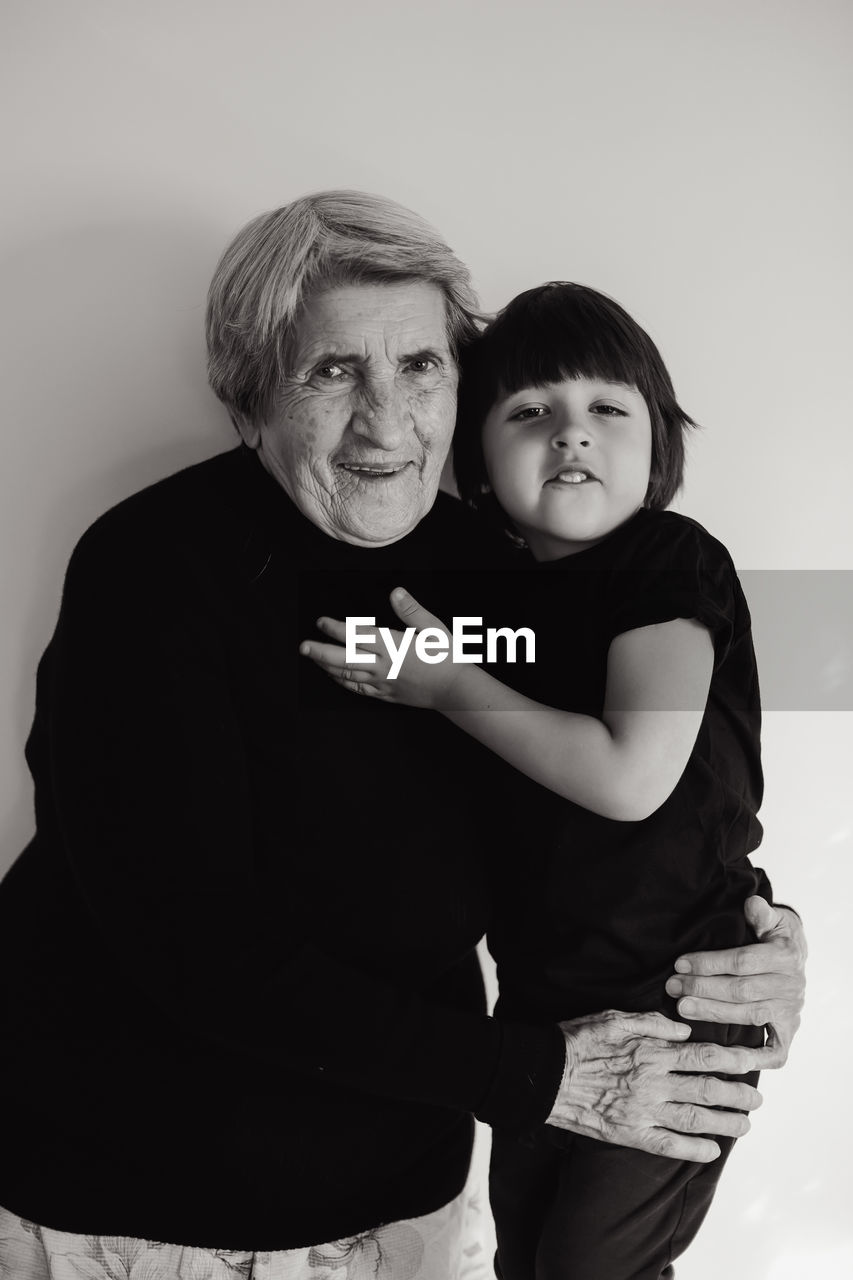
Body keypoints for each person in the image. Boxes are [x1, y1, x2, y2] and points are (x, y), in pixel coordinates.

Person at [0, 194, 805, 1280]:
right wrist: (535, 1076)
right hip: (142, 1201)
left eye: (421, 366)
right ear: (248, 396)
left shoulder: (505, 570)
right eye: (332, 371)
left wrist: (749, 943)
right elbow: (192, 941)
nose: (387, 421)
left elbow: (607, 801)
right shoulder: (156, 570)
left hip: (408, 1202)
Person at [301, 280, 789, 1278]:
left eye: (607, 409)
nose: (571, 434)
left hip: (679, 996)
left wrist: (444, 686)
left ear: (658, 442)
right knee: (525, 1259)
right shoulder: (492, 600)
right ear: (474, 455)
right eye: (529, 413)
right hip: (541, 1014)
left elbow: (632, 776)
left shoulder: (666, 560)